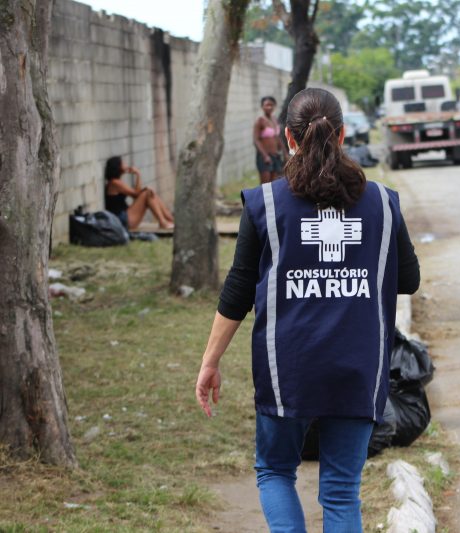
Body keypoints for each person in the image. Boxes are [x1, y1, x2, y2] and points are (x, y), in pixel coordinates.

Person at [195, 87, 420, 532]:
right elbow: (408, 280)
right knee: (340, 489)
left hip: (289, 367)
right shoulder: (382, 202)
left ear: (287, 138)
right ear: (341, 136)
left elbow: (238, 290)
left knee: (276, 471)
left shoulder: (265, 204)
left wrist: (210, 361)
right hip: (357, 364)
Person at [104, 156, 174, 230]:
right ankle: (163, 222)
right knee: (147, 193)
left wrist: (145, 189)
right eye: (123, 163)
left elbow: (136, 194)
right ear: (118, 167)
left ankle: (171, 219)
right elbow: (136, 194)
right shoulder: (114, 183)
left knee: (150, 193)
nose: (125, 165)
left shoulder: (115, 182)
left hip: (125, 217)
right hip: (123, 220)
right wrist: (138, 174)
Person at [254, 95, 286, 184]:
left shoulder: (274, 119)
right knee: (265, 185)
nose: (269, 107)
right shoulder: (260, 121)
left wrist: (285, 153)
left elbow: (278, 138)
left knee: (275, 184)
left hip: (275, 156)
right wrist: (265, 156)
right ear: (262, 106)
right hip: (264, 157)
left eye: (271, 105)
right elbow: (256, 140)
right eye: (267, 105)